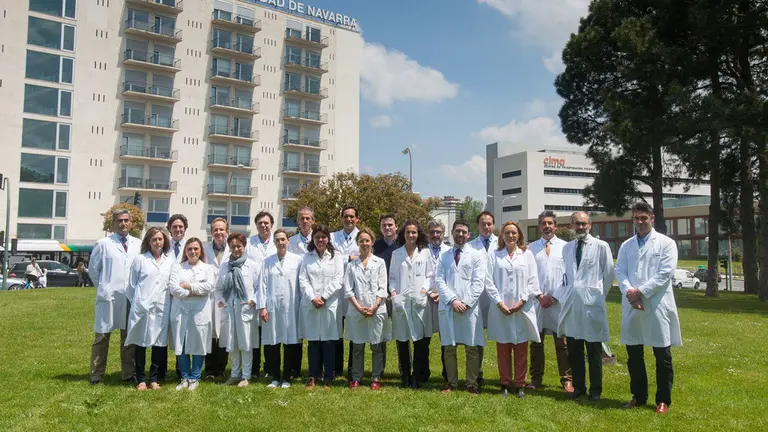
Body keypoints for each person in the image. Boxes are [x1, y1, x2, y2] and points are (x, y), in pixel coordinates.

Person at [615, 202, 682, 414]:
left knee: (662, 355)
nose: (640, 222)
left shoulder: (666, 243)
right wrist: (630, 293)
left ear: (652, 217)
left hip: (655, 304)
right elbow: (620, 272)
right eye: (636, 218)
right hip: (633, 304)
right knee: (634, 354)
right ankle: (639, 396)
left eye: (644, 218)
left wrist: (640, 292)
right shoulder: (626, 245)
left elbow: (664, 274)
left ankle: (663, 400)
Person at [555, 211, 614, 401]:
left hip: (592, 304)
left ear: (590, 224)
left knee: (594, 350)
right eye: (576, 224)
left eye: (583, 224)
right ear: (571, 225)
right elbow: (567, 276)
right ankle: (579, 388)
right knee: (574, 351)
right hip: (573, 305)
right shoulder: (567, 248)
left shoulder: (600, 246)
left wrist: (597, 295)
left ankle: (596, 391)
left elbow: (609, 274)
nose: (580, 227)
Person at [486, 221, 541, 398]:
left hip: (521, 309)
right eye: (507, 233)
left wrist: (522, 301)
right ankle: (504, 383)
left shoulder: (527, 255)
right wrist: (499, 303)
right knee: (503, 347)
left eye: (514, 233)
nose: (511, 236)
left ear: (519, 236)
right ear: (502, 236)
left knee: (521, 348)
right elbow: (488, 281)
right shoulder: (494, 255)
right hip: (501, 308)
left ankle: (519, 383)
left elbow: (533, 281)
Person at [88, 209, 142, 385]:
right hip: (109, 297)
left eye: (126, 220)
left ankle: (128, 373)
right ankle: (96, 374)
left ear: (131, 222)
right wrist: (104, 288)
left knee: (128, 338)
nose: (123, 223)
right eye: (119, 220)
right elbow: (93, 271)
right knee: (102, 337)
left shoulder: (138, 244)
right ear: (113, 224)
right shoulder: (103, 244)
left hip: (129, 297)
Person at [436, 220, 487, 394]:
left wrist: (465, 302)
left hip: (469, 308)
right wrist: (452, 300)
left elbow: (479, 283)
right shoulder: (444, 255)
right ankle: (451, 383)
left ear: (469, 235)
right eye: (457, 231)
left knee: (471, 347)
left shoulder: (477, 255)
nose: (460, 234)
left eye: (464, 232)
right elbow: (439, 281)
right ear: (452, 232)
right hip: (449, 307)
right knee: (449, 348)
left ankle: (471, 384)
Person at [125, 227, 178, 390]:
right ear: (148, 241)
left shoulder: (170, 261)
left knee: (159, 344)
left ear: (165, 241)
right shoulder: (140, 260)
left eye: (160, 239)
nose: (157, 242)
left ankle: (154, 379)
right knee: (141, 343)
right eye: (154, 239)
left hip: (162, 307)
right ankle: (141, 379)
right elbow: (131, 286)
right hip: (143, 307)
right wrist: (139, 302)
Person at [527, 211, 573, 392]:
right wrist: (539, 295)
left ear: (556, 226)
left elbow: (569, 276)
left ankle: (567, 379)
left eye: (550, 223)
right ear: (539, 226)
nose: (547, 226)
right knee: (536, 342)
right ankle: (535, 378)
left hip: (558, 301)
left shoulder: (566, 247)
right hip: (537, 301)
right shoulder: (531, 248)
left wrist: (554, 296)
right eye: (543, 223)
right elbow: (528, 276)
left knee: (562, 343)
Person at [344, 227, 390, 390]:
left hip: (376, 309)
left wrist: (374, 306)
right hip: (357, 310)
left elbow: (383, 287)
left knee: (376, 346)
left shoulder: (380, 263)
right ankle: (356, 377)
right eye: (361, 240)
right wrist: (359, 308)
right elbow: (348, 290)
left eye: (367, 240)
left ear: (372, 242)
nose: (364, 243)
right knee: (357, 346)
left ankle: (376, 378)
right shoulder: (351, 265)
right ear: (357, 243)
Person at [389, 220, 433, 389]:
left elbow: (430, 276)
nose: (411, 235)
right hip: (402, 301)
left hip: (419, 301)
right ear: (403, 234)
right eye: (408, 232)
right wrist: (394, 293)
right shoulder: (396, 254)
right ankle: (405, 375)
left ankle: (417, 375)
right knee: (402, 339)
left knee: (419, 341)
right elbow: (392, 278)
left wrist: (424, 290)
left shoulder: (425, 253)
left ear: (418, 234)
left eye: (414, 232)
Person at [300, 224, 344, 389]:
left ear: (328, 239)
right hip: (312, 305)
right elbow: (303, 280)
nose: (320, 240)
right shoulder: (307, 257)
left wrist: (324, 297)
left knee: (328, 342)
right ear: (313, 238)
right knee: (313, 342)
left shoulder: (336, 256)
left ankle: (329, 377)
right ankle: (313, 376)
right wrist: (312, 297)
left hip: (329, 304)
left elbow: (339, 279)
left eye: (323, 237)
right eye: (317, 237)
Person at [216, 233, 262, 388]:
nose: (236, 249)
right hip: (230, 309)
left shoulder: (253, 265)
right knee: (233, 343)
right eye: (233, 247)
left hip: (246, 309)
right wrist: (221, 300)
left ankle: (246, 375)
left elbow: (259, 288)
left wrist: (253, 301)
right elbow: (218, 288)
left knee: (246, 343)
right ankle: (235, 374)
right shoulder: (225, 266)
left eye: (239, 246)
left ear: (244, 246)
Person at [169, 238, 215, 391]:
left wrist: (188, 287)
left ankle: (195, 378)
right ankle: (185, 377)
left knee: (198, 344)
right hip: (181, 312)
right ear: (185, 251)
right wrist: (195, 292)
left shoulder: (208, 268)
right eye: (189, 249)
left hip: (200, 312)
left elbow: (208, 287)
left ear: (201, 250)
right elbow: (173, 289)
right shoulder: (178, 268)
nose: (193, 252)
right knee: (181, 344)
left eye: (196, 249)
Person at [260, 229, 303, 389]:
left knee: (290, 342)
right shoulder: (267, 261)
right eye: (277, 240)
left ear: (288, 241)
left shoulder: (297, 260)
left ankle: (287, 377)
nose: (280, 242)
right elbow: (262, 286)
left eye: (283, 239)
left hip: (291, 307)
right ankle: (275, 377)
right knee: (273, 343)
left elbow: (301, 284)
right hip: (272, 308)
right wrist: (262, 307)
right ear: (274, 242)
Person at [330, 206, 360, 378]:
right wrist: (348, 258)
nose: (348, 219)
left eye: (351, 216)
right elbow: (331, 257)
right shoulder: (333, 237)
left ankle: (352, 369)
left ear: (357, 219)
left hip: (356, 290)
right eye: (345, 216)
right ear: (341, 218)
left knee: (354, 332)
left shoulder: (362, 236)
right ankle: (336, 367)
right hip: (337, 289)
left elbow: (365, 257)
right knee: (336, 332)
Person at [246, 211, 277, 379]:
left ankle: (270, 368)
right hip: (253, 293)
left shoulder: (277, 242)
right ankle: (254, 368)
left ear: (271, 224)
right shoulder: (249, 243)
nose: (263, 225)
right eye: (260, 223)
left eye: (266, 223)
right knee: (255, 334)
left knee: (270, 333)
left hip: (272, 292)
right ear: (256, 225)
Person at [468, 210, 497, 383]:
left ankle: (507, 376)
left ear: (493, 225)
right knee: (476, 336)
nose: (486, 226)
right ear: (477, 226)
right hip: (477, 297)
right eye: (483, 224)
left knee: (502, 335)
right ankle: (476, 372)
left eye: (489, 223)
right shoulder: (470, 246)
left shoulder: (502, 244)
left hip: (496, 297)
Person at [202, 218, 230, 379]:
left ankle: (221, 369)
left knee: (224, 332)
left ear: (227, 231)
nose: (219, 232)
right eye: (215, 229)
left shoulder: (232, 249)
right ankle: (209, 369)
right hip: (209, 296)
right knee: (210, 332)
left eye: (222, 229)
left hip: (225, 296)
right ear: (211, 232)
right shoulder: (205, 249)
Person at [426, 220, 451, 381]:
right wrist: (429, 292)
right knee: (424, 339)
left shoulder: (450, 251)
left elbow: (452, 276)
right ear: (428, 234)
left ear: (443, 234)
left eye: (439, 232)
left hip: (445, 299)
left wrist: (442, 294)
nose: (436, 235)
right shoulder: (421, 251)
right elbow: (420, 276)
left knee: (446, 339)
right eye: (432, 232)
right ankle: (422, 374)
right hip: (425, 299)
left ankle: (447, 374)